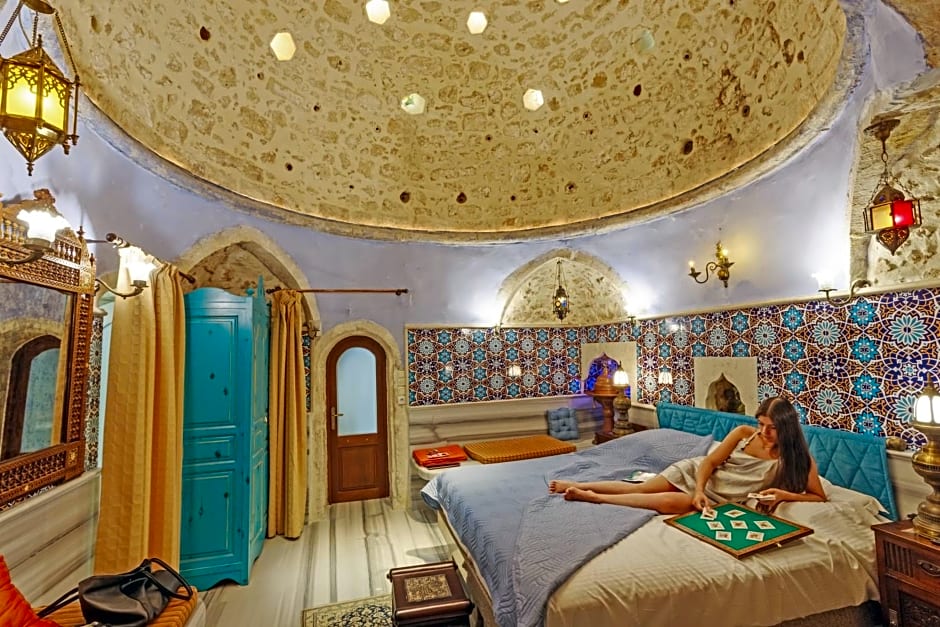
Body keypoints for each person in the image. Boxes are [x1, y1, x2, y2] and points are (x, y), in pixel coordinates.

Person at [548, 396, 827, 514]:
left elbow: (818, 496)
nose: (764, 432)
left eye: (772, 428)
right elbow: (710, 461)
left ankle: (595, 497)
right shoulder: (745, 433)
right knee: (645, 488)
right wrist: (699, 490)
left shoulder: (798, 459)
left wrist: (783, 495)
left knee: (666, 502)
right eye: (761, 424)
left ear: (787, 427)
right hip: (699, 477)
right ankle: (581, 485)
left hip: (723, 499)